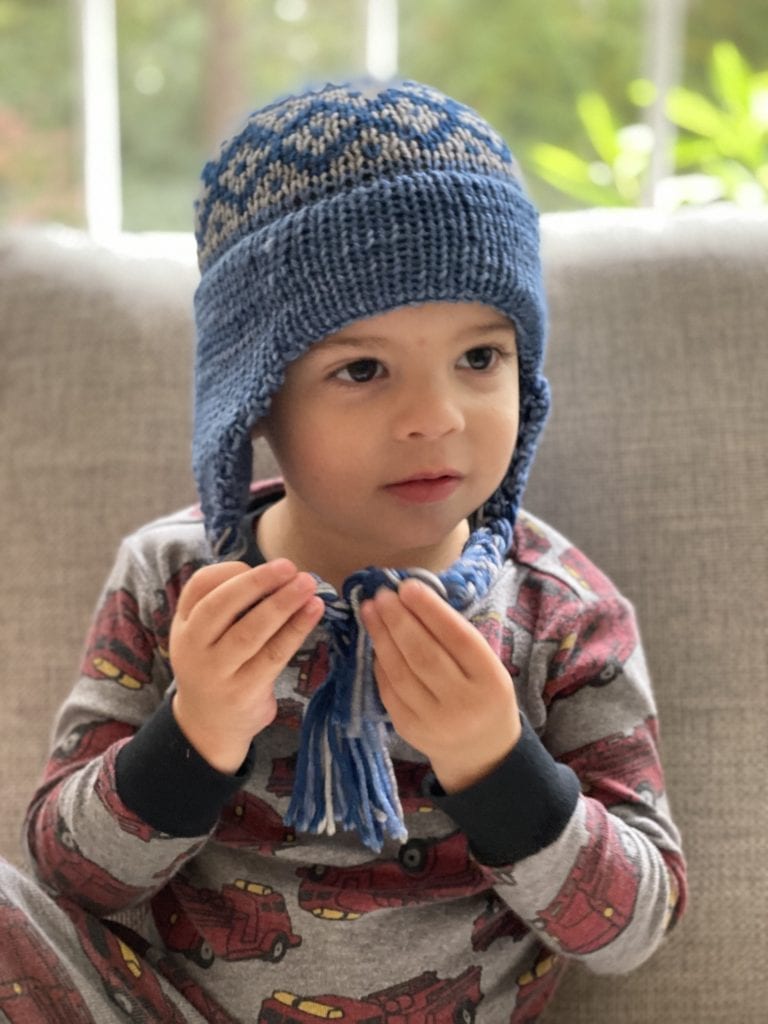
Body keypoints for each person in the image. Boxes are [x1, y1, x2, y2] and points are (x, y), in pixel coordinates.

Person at [0, 80, 686, 1023]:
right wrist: (193, 735)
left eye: (481, 359)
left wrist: (498, 765)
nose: (436, 418)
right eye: (362, 370)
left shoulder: (560, 612)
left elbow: (637, 923)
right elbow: (68, 874)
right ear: (256, 400)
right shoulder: (173, 581)